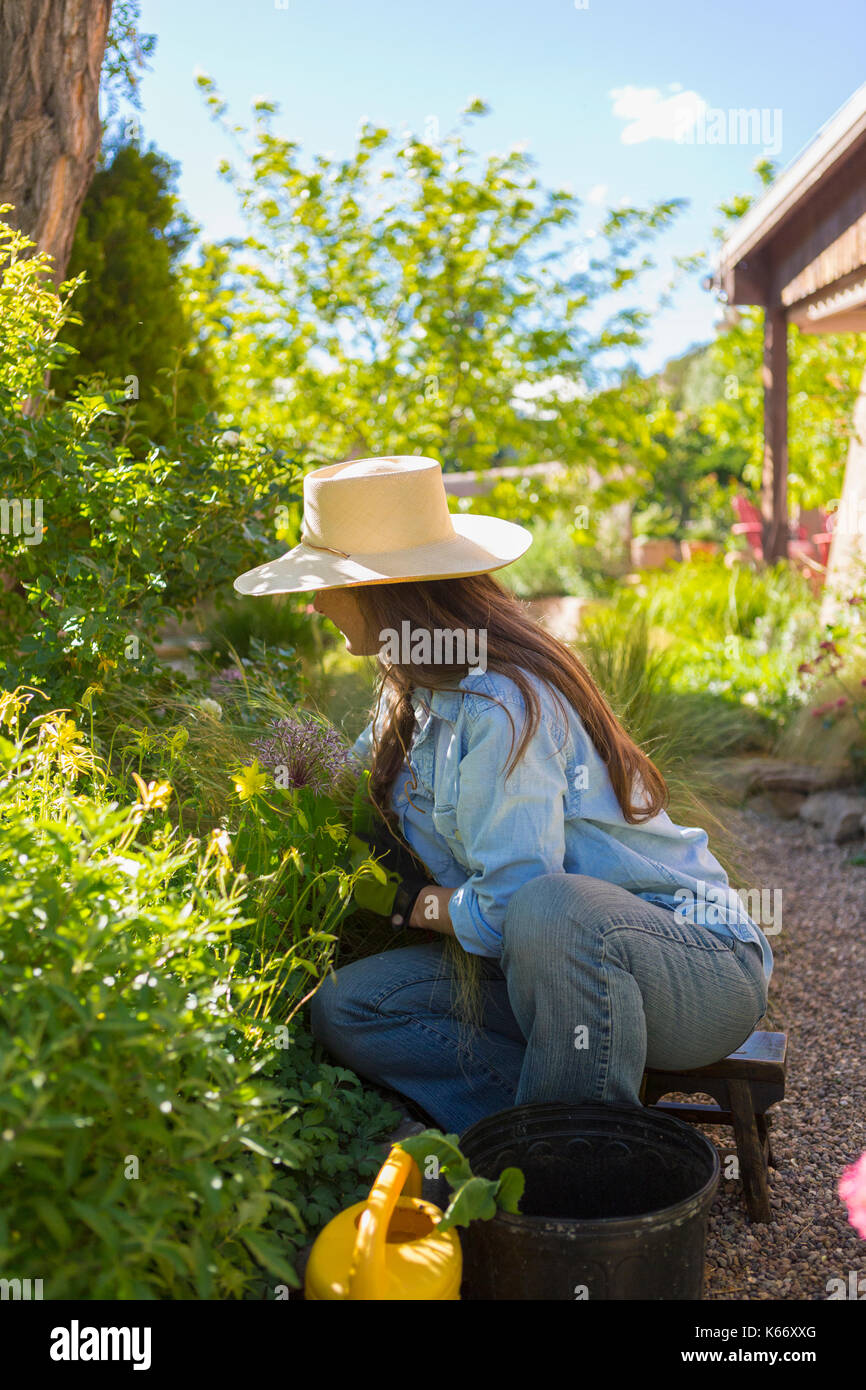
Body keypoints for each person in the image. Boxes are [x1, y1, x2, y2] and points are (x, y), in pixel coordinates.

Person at [234, 455, 772, 1135]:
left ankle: (581, 1170)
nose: (313, 602)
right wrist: (266, 799)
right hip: (552, 968)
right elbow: (335, 796)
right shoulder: (412, 691)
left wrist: (411, 904)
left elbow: (518, 907)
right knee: (351, 1006)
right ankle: (529, 1141)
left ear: (382, 592)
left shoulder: (500, 707)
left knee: (553, 908)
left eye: (326, 583)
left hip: (694, 969)